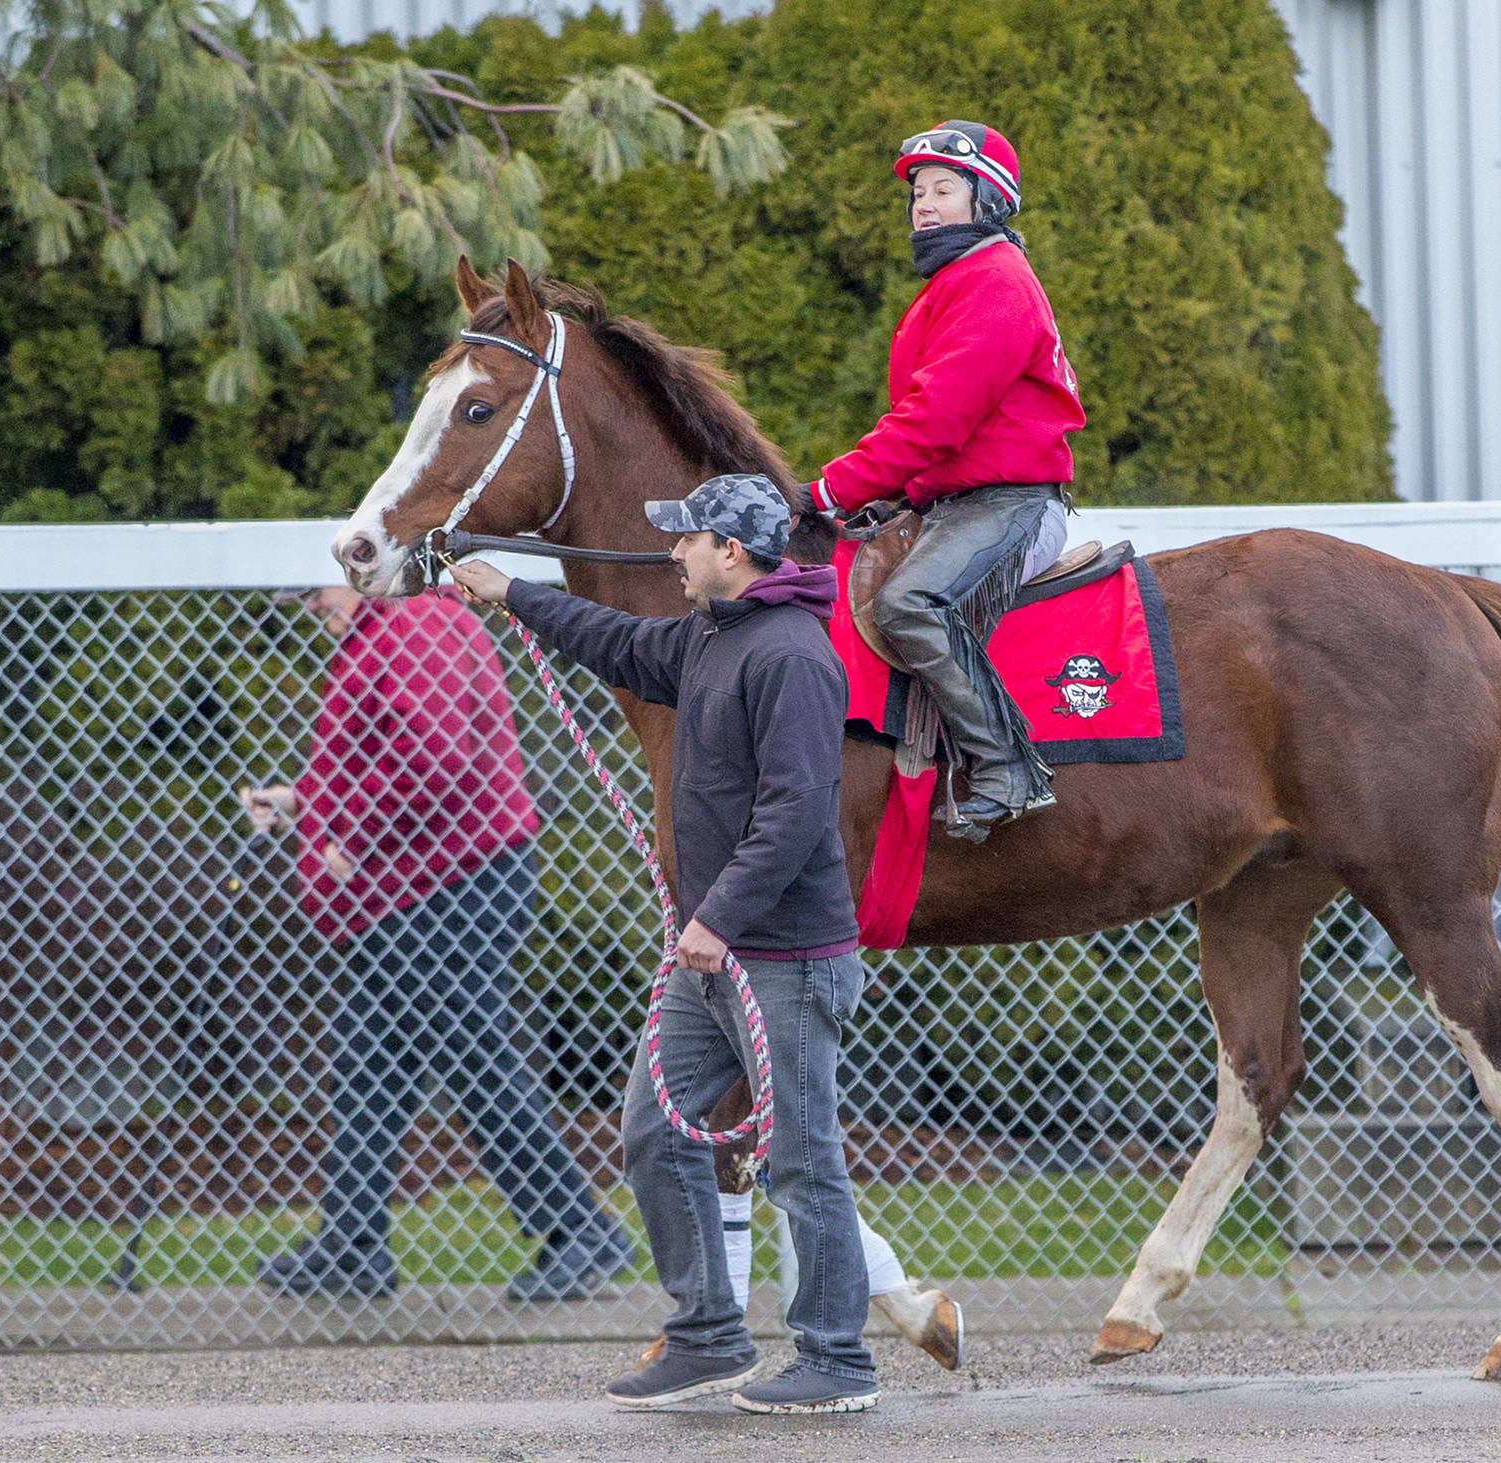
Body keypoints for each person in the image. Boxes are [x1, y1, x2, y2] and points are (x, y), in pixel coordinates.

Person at [451, 473, 879, 1415]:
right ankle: (708, 1335)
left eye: (688, 539)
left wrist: (714, 917)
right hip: (717, 957)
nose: (672, 552)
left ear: (733, 552)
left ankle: (838, 1358)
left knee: (802, 1158)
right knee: (653, 1129)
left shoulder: (794, 656)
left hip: (784, 957)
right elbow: (623, 644)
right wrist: (512, 591)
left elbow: (799, 811)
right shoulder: (706, 637)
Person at [244, 584, 634, 1303]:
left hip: (454, 886)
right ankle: (353, 1243)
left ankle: (583, 1231)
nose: (307, 607)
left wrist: (346, 836)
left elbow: (433, 758)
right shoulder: (388, 633)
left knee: (471, 1056)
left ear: (367, 569)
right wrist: (304, 800)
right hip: (425, 886)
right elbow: (380, 757)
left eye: (310, 590)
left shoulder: (415, 625)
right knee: (368, 1057)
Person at [806, 120, 1086, 842]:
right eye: (916, 194)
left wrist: (828, 491)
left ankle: (1006, 768)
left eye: (943, 189)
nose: (923, 205)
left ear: (987, 200)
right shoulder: (959, 282)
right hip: (960, 503)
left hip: (1010, 505)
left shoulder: (995, 282)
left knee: (907, 600)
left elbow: (934, 422)